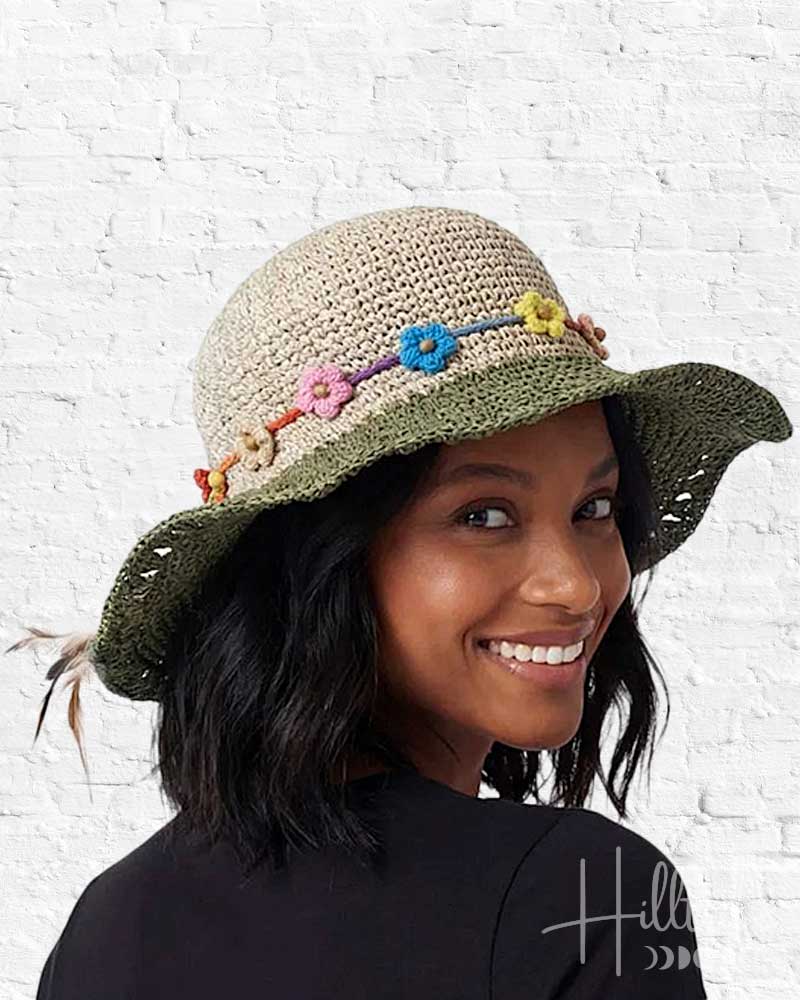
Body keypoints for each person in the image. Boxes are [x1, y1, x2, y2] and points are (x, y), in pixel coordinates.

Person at [9, 206, 792, 998]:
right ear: (320, 567)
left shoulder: (108, 923)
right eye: (483, 516)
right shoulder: (582, 897)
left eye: (594, 509)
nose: (577, 586)